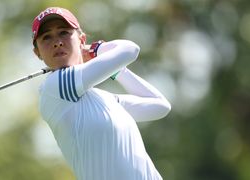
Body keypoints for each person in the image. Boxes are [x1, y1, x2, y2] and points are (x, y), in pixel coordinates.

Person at [32, 7, 171, 180]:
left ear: (81, 39)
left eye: (64, 33)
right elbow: (130, 49)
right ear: (37, 52)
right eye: (47, 37)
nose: (57, 42)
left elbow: (160, 105)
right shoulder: (55, 87)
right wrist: (95, 50)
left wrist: (116, 71)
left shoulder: (104, 99)